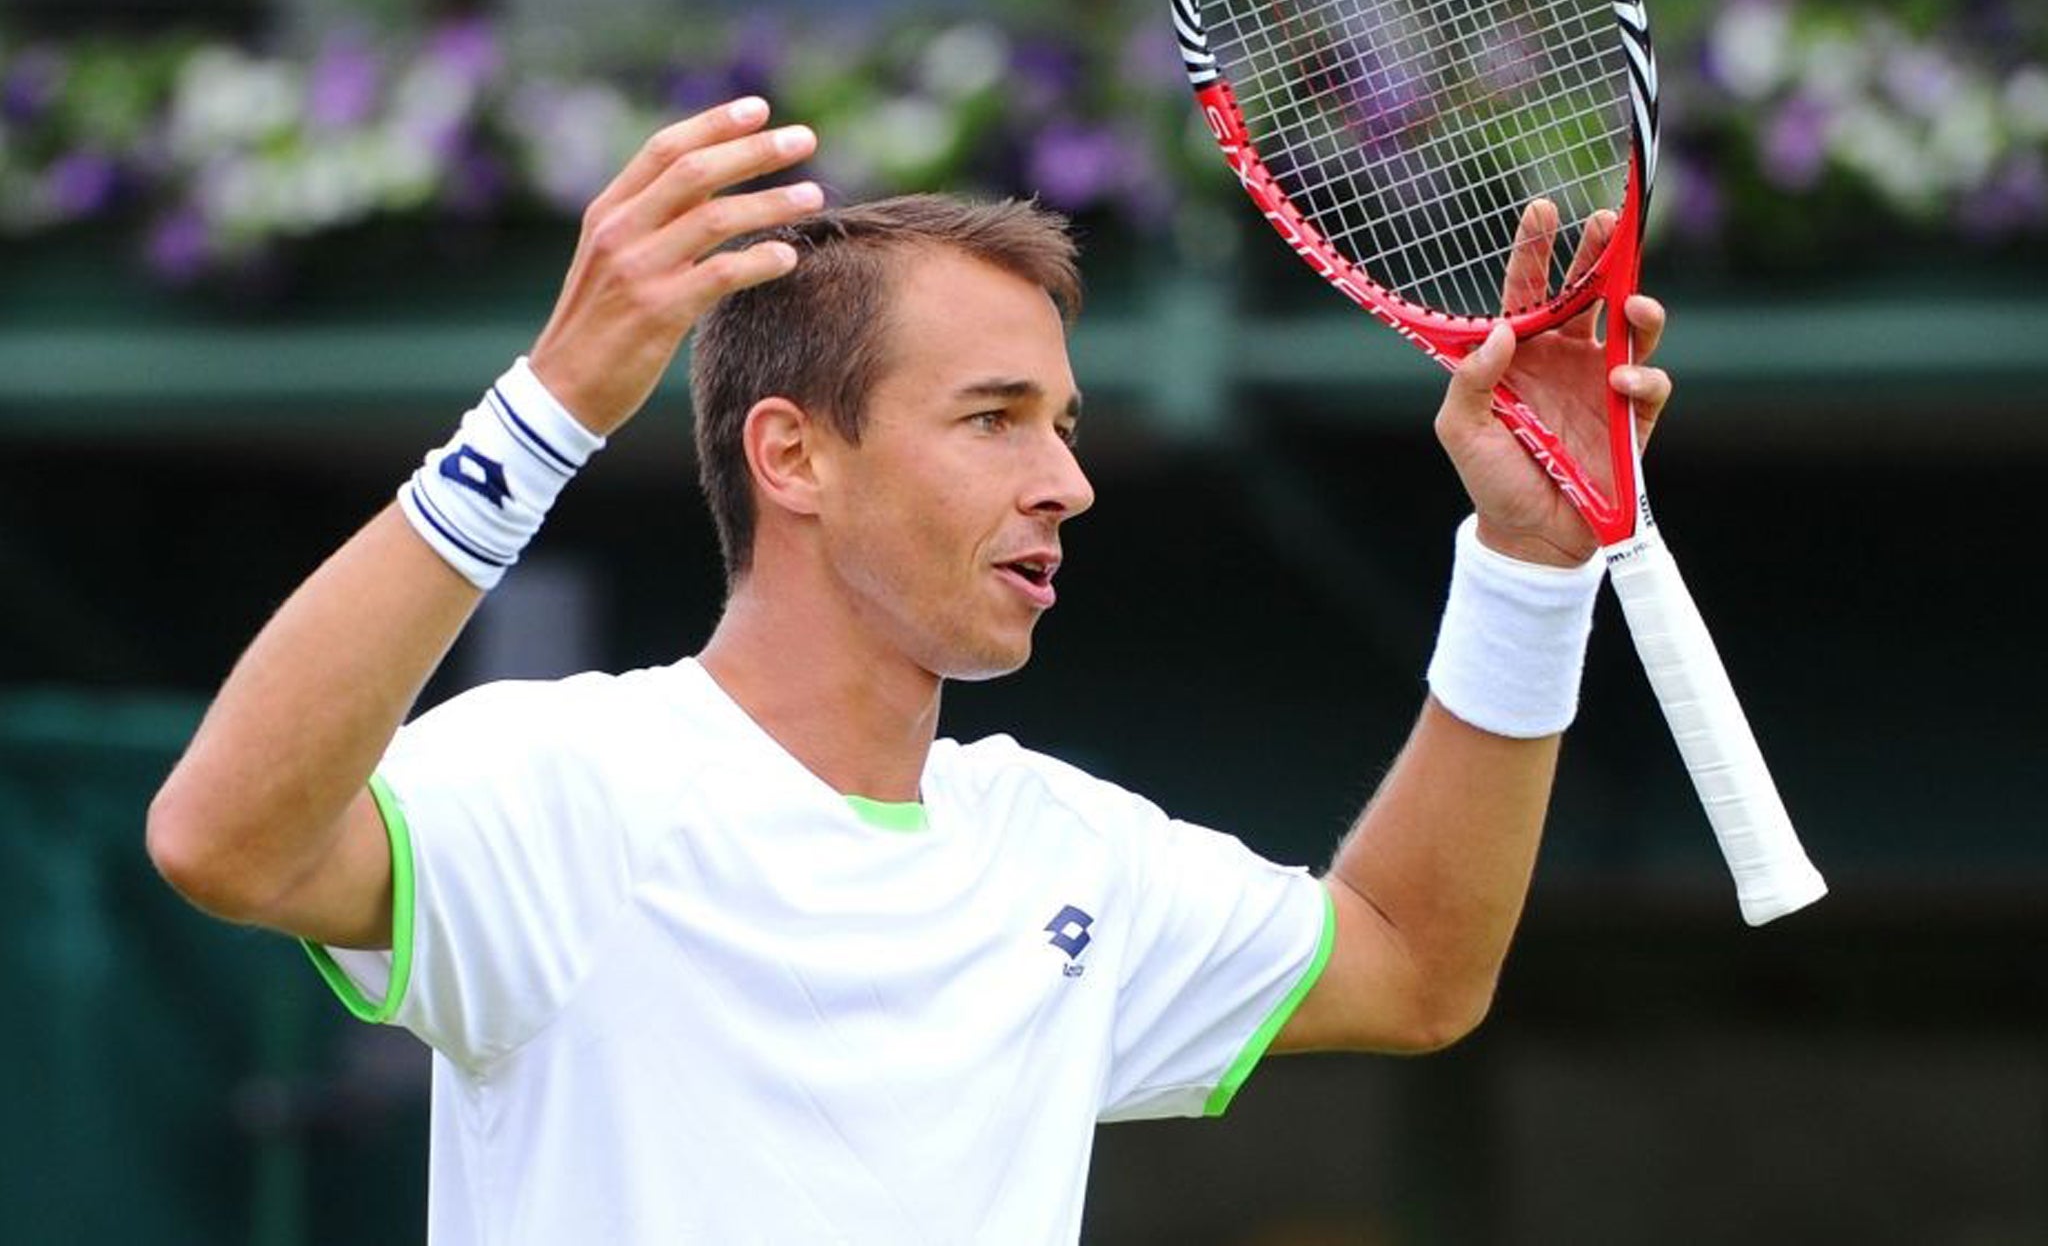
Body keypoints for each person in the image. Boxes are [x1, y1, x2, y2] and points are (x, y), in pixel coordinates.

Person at [147, 94, 1672, 1245]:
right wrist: (548, 407)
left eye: (1063, 426)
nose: (1066, 481)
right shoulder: (559, 781)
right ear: (794, 456)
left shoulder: (1065, 853)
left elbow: (1415, 966)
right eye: (995, 417)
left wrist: (1529, 568)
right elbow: (222, 840)